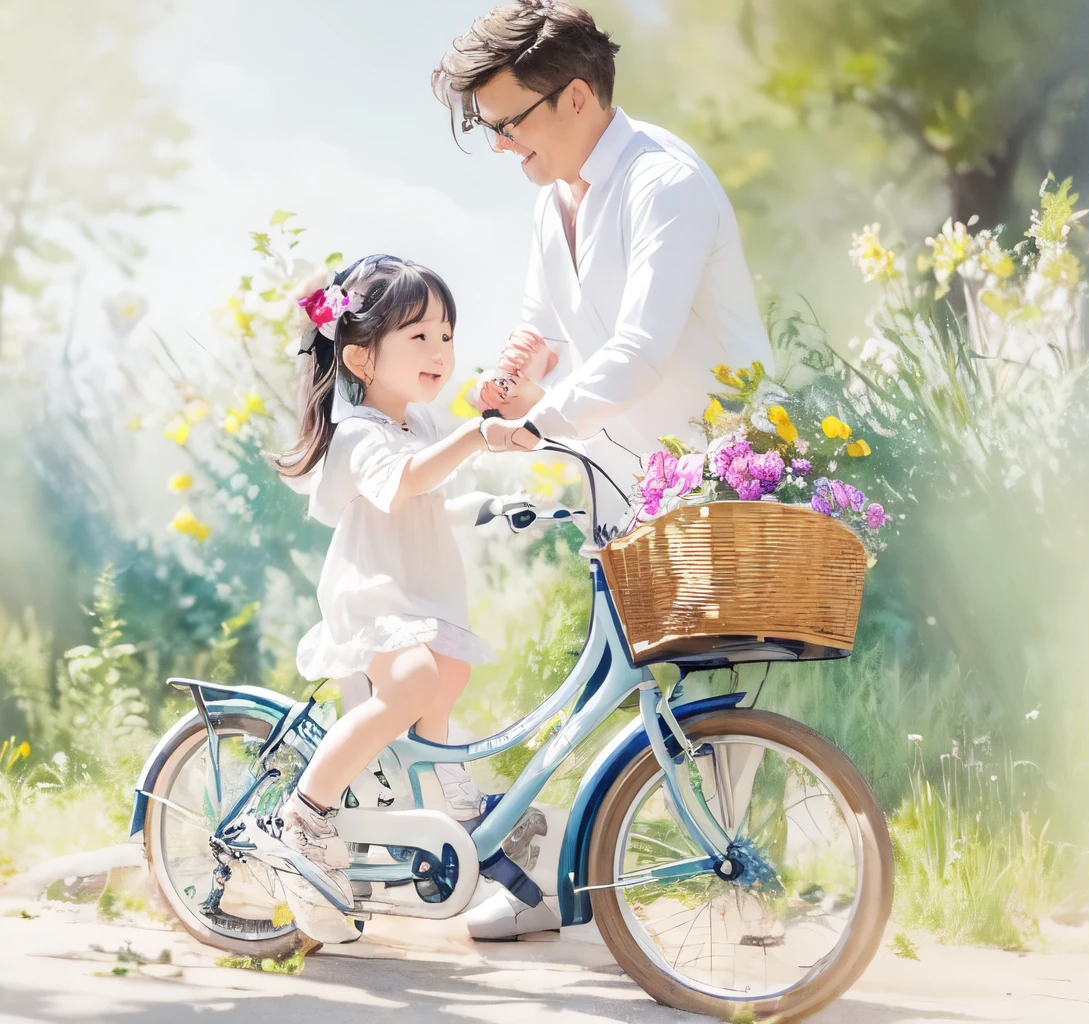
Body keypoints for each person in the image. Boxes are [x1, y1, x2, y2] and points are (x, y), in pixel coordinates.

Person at [433, 0, 776, 939]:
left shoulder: (666, 182)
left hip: (714, 465)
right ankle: (552, 880)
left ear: (575, 96)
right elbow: (547, 320)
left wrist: (536, 425)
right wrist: (515, 372)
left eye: (510, 123)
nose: (502, 146)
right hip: (619, 471)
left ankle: (741, 893)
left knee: (708, 686)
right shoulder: (558, 197)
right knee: (610, 673)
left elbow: (642, 348)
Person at [265, 254, 537, 943]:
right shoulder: (360, 433)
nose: (440, 351)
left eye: (446, 335)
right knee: (414, 678)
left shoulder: (419, 425)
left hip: (418, 592)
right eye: (418, 336)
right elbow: (408, 482)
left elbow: (435, 492)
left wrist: (496, 504)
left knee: (448, 674)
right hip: (374, 593)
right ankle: (305, 811)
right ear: (360, 357)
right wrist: (477, 434)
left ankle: (443, 786)